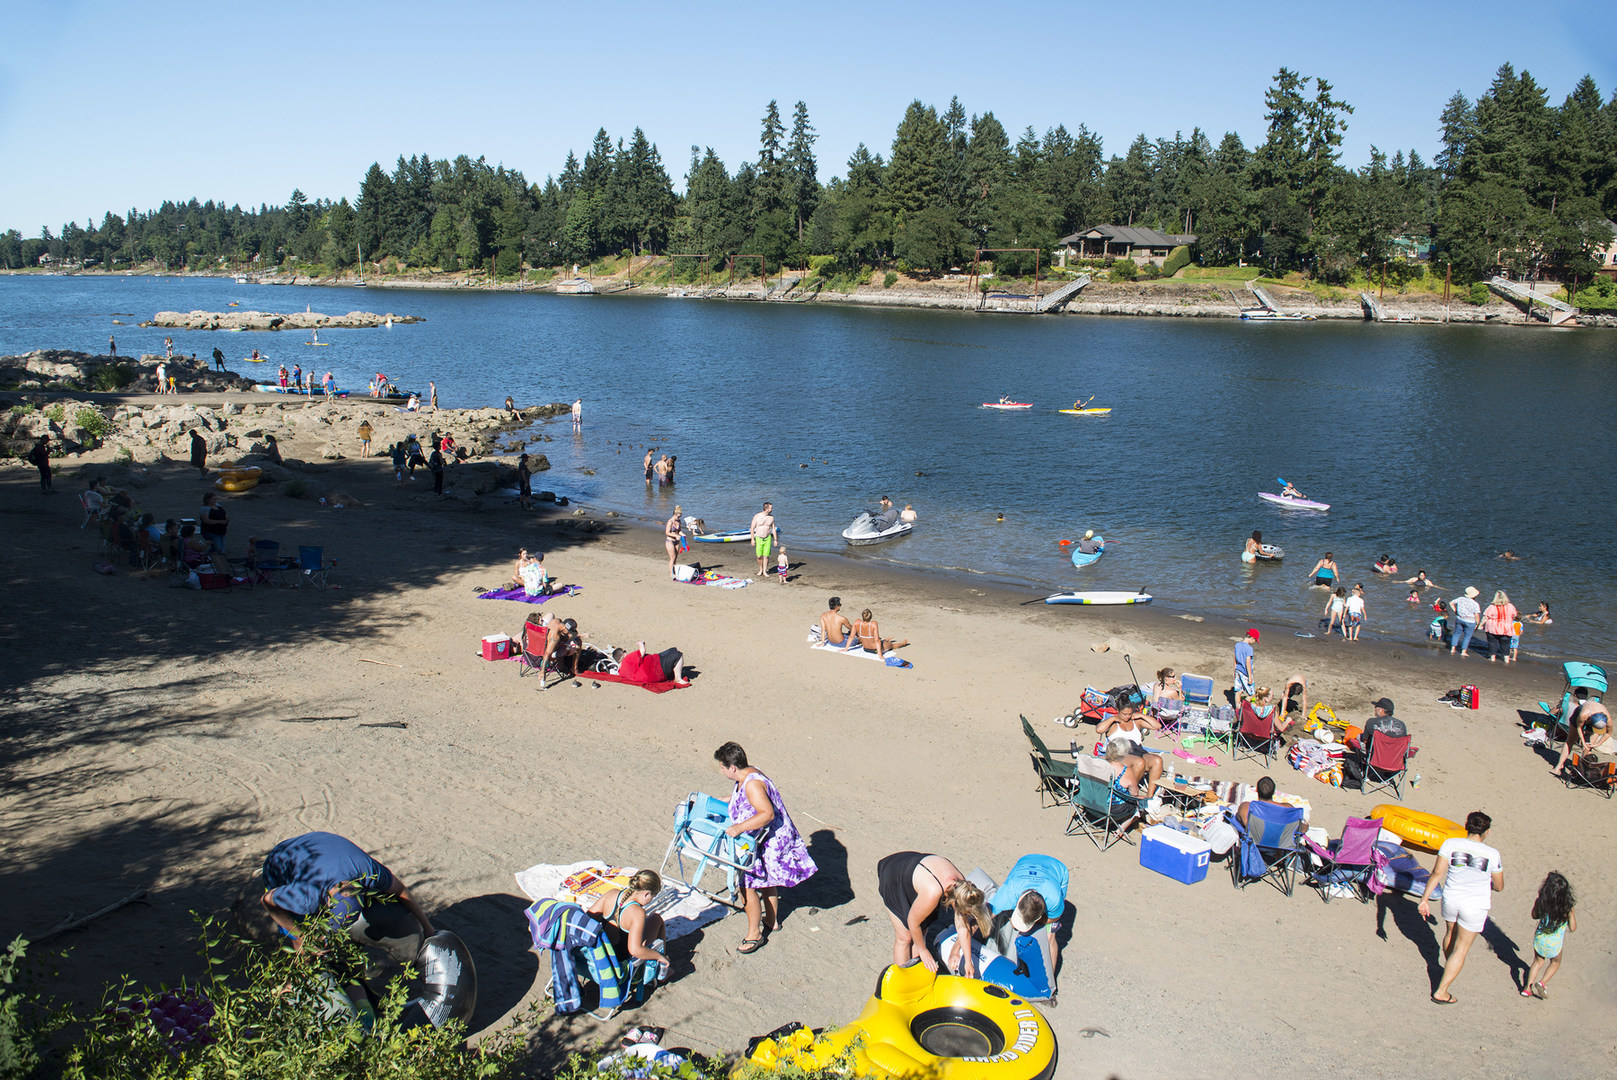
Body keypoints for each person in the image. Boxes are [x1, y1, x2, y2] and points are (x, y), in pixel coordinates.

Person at [716, 742, 817, 954]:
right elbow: (745, 799)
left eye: (722, 767)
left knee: (748, 885)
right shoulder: (750, 772)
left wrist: (738, 827)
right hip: (770, 837)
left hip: (768, 839)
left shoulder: (751, 784)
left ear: (732, 768)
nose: (721, 770)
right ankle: (772, 921)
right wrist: (724, 800)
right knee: (766, 879)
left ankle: (754, 934)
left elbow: (766, 813)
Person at [259, 831, 433, 951]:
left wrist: (428, 928)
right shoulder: (306, 896)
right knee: (300, 934)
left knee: (326, 939)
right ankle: (295, 971)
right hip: (280, 860)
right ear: (327, 901)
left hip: (324, 845)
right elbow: (268, 900)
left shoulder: (370, 873)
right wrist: (298, 936)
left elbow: (401, 890)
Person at [1419, 811, 1504, 1005]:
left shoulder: (1450, 844)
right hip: (1475, 904)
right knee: (1462, 947)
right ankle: (1441, 990)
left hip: (1452, 898)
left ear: (1466, 826)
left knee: (1450, 933)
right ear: (1487, 832)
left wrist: (1424, 899)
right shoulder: (1492, 854)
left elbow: (1437, 873)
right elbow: (1499, 886)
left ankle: (1447, 969)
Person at [876, 853, 990, 977]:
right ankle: (904, 980)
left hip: (918, 875)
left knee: (921, 933)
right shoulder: (933, 893)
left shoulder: (963, 890)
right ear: (955, 903)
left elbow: (963, 926)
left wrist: (968, 961)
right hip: (894, 875)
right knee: (905, 937)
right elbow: (913, 922)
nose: (965, 916)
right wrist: (923, 950)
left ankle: (916, 975)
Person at [584, 869, 669, 975]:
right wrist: (659, 956)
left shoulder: (611, 894)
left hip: (600, 953)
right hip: (619, 960)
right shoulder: (637, 913)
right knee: (656, 919)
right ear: (646, 894)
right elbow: (635, 950)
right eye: (653, 896)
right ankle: (663, 969)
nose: (651, 900)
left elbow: (586, 919)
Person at [1524, 871, 1576, 1000]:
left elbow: (1534, 916)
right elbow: (1573, 928)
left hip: (1540, 938)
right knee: (1555, 963)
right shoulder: (1567, 908)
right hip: (1555, 943)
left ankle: (1527, 988)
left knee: (1537, 962)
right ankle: (1542, 983)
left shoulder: (1541, 902)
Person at [1099, 701, 1163, 791]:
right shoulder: (1113, 724)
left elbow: (1157, 726)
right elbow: (1099, 729)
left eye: (1130, 714)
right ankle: (1129, 791)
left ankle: (1149, 796)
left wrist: (1141, 716)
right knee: (1139, 762)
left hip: (1138, 751)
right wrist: (1113, 718)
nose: (1127, 716)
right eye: (1124, 714)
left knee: (1157, 760)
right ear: (1118, 710)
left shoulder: (1136, 722)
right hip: (1119, 754)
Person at [1551, 694, 1609, 777]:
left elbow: (1608, 733)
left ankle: (1583, 767)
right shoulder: (1583, 715)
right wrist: (1582, 741)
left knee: (1589, 745)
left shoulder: (1606, 717)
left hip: (1595, 717)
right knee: (1570, 740)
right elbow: (1579, 728)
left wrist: (1597, 744)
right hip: (1578, 715)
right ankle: (1559, 765)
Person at [1482, 590, 1518, 664]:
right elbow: (1514, 616)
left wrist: (1480, 624)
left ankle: (1492, 658)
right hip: (1506, 628)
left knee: (1492, 643)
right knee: (1506, 644)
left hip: (1492, 628)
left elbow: (1486, 617)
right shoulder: (1510, 606)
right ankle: (1506, 660)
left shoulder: (1492, 606)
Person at [1450, 586, 1481, 657]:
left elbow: (1451, 603)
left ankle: (1453, 649)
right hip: (1470, 621)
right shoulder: (1475, 604)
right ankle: (1463, 651)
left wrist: (1455, 611)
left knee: (1456, 634)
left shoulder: (1461, 599)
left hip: (1460, 618)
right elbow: (1477, 616)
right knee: (1467, 637)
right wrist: (1477, 624)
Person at [750, 501, 777, 578]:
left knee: (766, 556)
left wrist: (775, 539)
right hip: (758, 538)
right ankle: (760, 569)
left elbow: (773, 529)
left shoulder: (771, 517)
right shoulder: (757, 516)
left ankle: (765, 571)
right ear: (767, 508)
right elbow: (752, 528)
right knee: (759, 556)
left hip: (767, 538)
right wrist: (752, 539)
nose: (772, 509)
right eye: (771, 508)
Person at [1233, 628, 1258, 696]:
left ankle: (1237, 706)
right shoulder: (1249, 648)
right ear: (1252, 638)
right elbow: (1248, 663)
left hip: (1238, 669)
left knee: (1238, 690)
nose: (1254, 642)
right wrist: (1250, 677)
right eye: (1255, 640)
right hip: (1245, 672)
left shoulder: (1237, 645)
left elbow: (1235, 659)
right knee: (1252, 693)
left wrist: (1235, 670)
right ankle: (1249, 705)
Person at [665, 505, 684, 577]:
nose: (679, 518)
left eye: (680, 517)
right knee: (672, 557)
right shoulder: (670, 521)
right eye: (678, 516)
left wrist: (683, 535)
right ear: (674, 514)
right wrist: (676, 536)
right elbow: (667, 532)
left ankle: (675, 572)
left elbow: (679, 531)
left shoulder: (679, 521)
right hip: (670, 541)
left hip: (676, 542)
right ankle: (671, 573)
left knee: (675, 557)